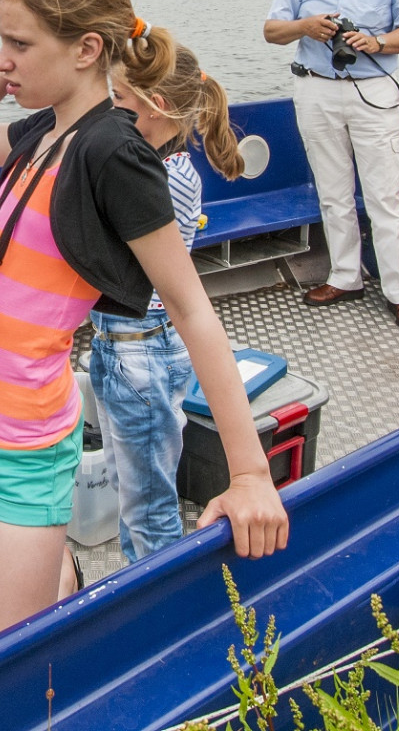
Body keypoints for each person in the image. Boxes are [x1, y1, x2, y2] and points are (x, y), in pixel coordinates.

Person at [0, 0, 287, 643]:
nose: (3, 57)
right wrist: (7, 75)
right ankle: (55, 579)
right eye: (1, 40)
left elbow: (189, 308)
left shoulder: (112, 154)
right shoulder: (43, 130)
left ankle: (50, 579)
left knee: (2, 654)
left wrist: (249, 474)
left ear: (87, 47)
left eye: (19, 43)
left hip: (19, 438)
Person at [93, 39, 245, 562]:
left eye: (117, 98)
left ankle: (160, 604)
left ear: (156, 105)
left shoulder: (164, 176)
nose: (108, 109)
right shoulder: (151, 162)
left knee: (150, 508)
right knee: (130, 490)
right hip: (121, 348)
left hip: (142, 353)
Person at [262, 0, 399, 331]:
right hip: (316, 88)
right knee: (333, 193)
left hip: (373, 88)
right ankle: (345, 277)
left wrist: (376, 42)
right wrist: (306, 25)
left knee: (384, 195)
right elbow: (272, 31)